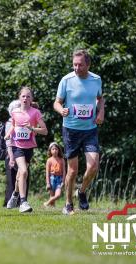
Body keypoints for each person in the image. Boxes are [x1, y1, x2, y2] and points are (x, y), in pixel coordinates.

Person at [53, 49, 105, 215]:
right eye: (74, 64)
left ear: (88, 64)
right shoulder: (66, 80)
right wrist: (61, 111)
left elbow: (100, 98)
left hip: (90, 130)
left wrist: (101, 112)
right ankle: (68, 203)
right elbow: (57, 102)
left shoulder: (96, 79)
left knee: (93, 166)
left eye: (80, 65)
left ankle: (81, 191)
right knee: (73, 170)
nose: (76, 68)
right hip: (71, 130)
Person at [4, 87, 48, 213]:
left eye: (28, 96)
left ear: (31, 99)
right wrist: (8, 134)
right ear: (19, 98)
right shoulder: (15, 112)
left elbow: (45, 131)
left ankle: (15, 194)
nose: (25, 98)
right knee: (23, 171)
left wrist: (33, 129)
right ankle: (23, 202)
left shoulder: (35, 113)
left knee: (21, 174)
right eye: (23, 96)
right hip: (17, 146)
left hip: (29, 147)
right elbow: (13, 125)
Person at [43, 142, 66, 207]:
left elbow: (64, 171)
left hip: (59, 179)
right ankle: (52, 208)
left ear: (58, 150)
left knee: (58, 195)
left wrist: (63, 181)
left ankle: (46, 203)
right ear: (50, 151)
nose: (55, 151)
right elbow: (47, 172)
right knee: (52, 195)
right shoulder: (49, 160)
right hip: (51, 179)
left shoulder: (62, 160)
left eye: (56, 149)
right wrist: (48, 183)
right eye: (53, 149)